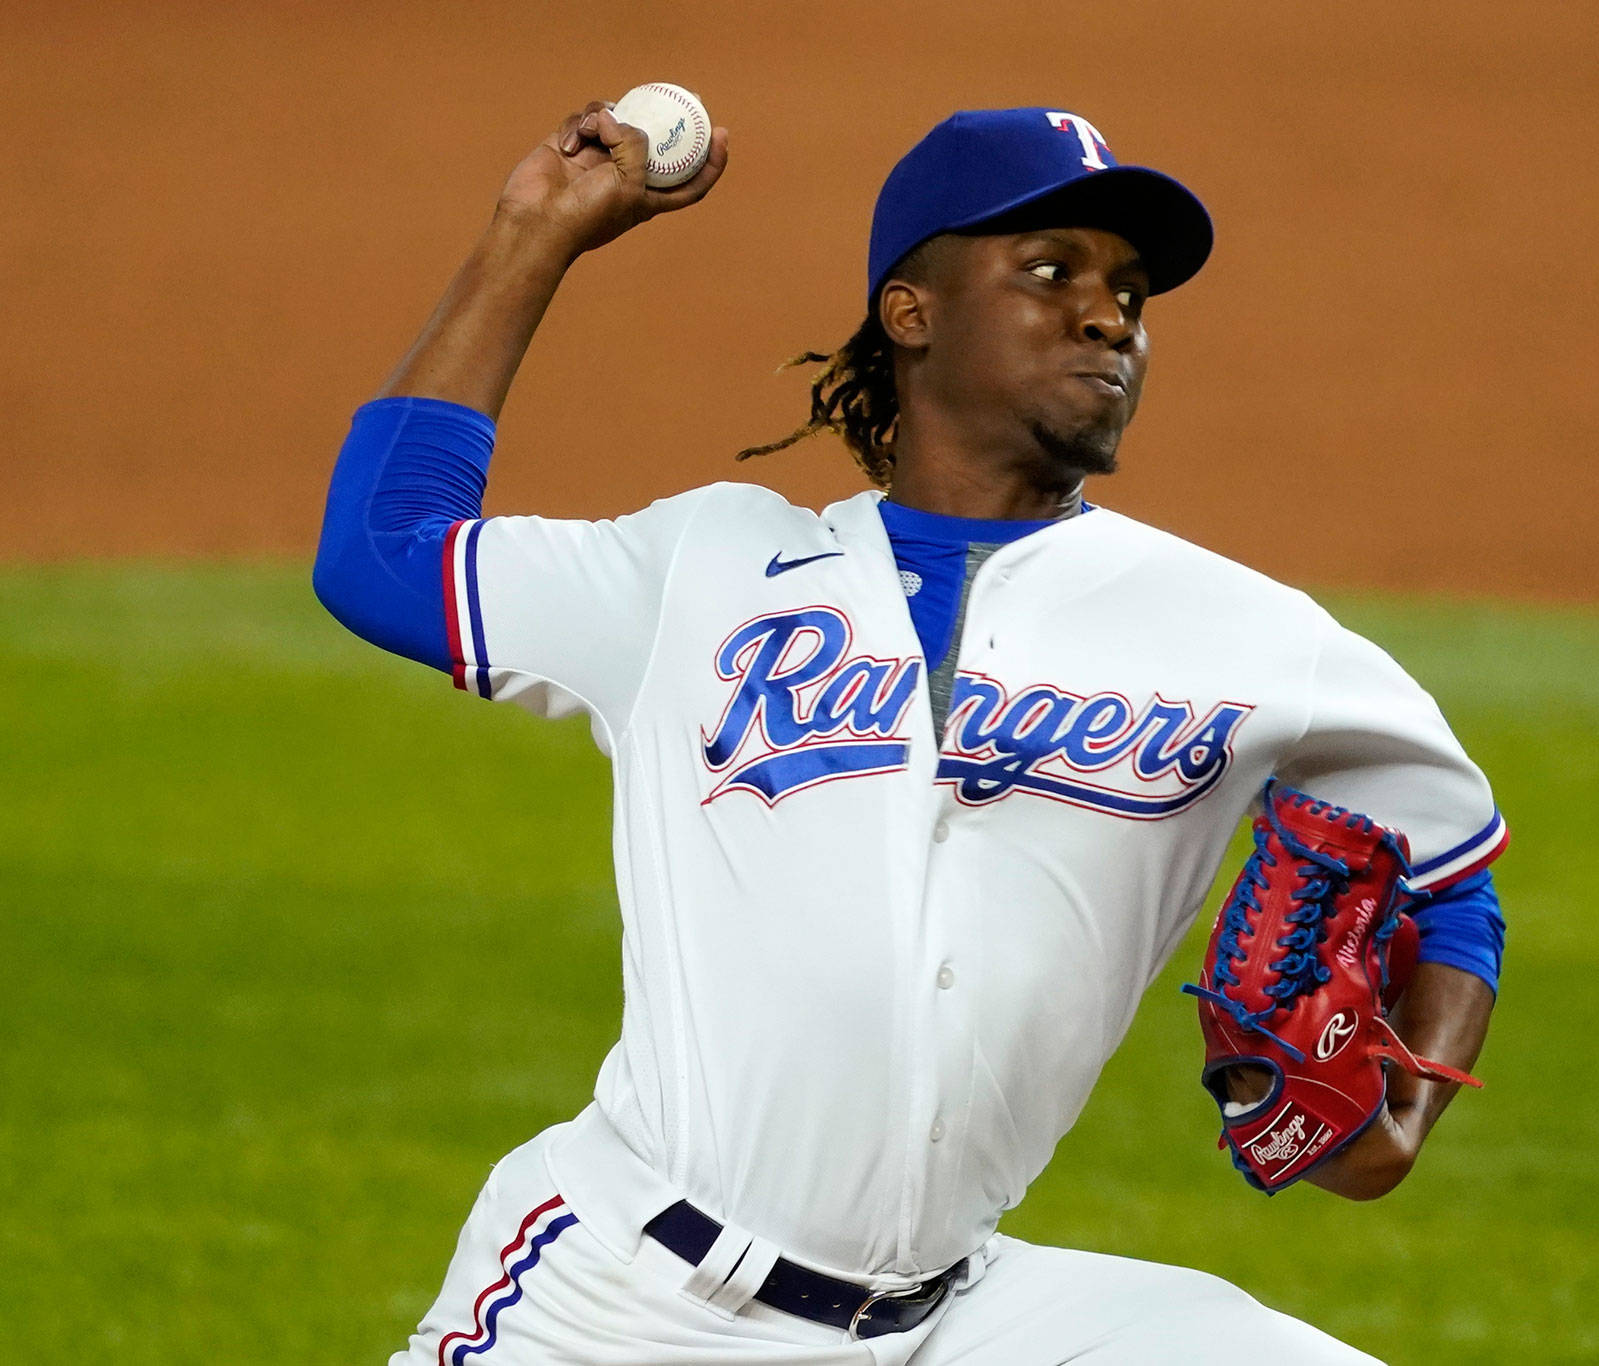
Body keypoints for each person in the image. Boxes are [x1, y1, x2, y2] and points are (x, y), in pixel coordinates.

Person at [314, 99, 1509, 1366]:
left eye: (1130, 293)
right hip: (624, 1300)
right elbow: (385, 555)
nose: (1107, 316)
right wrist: (530, 236)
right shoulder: (706, 567)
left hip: (961, 1316)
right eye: (1050, 272)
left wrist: (1395, 1125)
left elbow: (1448, 865)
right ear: (912, 312)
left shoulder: (1249, 636)